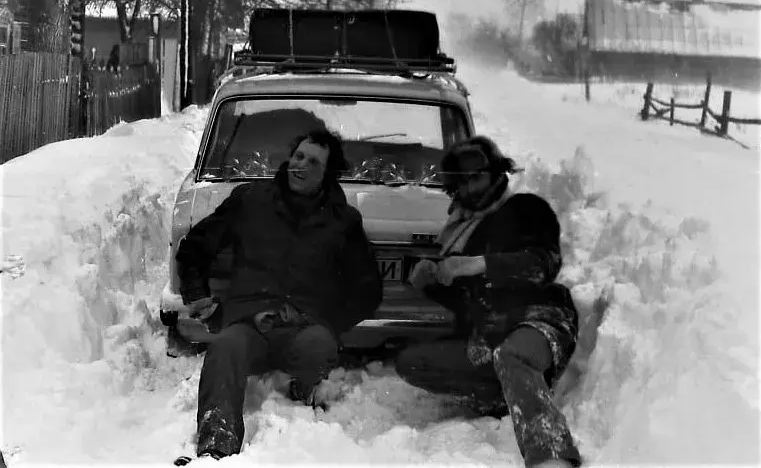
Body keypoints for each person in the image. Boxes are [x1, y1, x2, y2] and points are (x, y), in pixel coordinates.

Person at [175, 128, 383, 462]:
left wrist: (327, 321)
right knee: (225, 349)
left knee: (320, 345)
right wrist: (198, 296)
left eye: (312, 162)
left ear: (327, 174)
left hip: (304, 331)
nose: (300, 165)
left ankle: (303, 386)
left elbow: (368, 289)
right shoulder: (251, 200)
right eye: (298, 156)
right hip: (247, 323)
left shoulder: (342, 221)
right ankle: (217, 443)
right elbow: (195, 247)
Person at [395, 135, 582, 468]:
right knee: (412, 362)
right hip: (488, 334)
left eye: (477, 177)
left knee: (514, 355)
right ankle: (507, 396)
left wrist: (477, 263)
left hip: (538, 317)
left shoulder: (526, 209)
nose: (471, 188)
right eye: (462, 182)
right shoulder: (459, 229)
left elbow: (542, 264)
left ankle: (550, 456)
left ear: (497, 174)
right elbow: (467, 301)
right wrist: (431, 281)